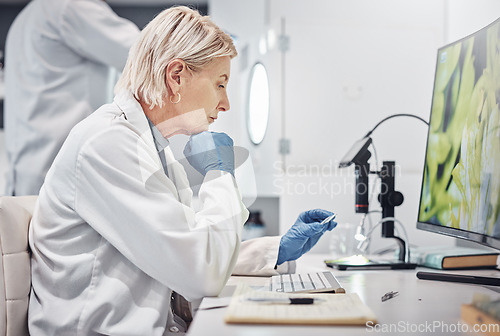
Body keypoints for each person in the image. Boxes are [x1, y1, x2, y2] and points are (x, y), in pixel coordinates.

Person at [28, 6, 337, 335]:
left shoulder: (149, 146)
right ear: (176, 76)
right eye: (220, 84)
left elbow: (187, 245)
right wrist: (220, 173)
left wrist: (275, 250)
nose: (225, 103)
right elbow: (201, 271)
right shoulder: (107, 144)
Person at [3, 0, 140, 196]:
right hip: (58, 174)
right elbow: (148, 55)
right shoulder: (72, 7)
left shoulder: (27, 16)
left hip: (24, 177)